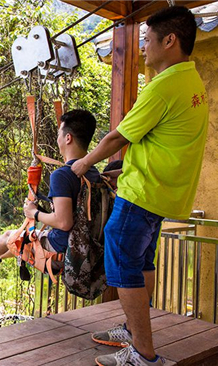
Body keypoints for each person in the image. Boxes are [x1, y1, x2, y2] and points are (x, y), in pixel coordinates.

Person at [70, 6, 208, 366]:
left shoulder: (163, 85)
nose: (144, 47)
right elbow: (163, 143)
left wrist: (83, 163)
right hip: (164, 191)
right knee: (143, 261)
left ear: (170, 40)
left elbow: (117, 136)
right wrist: (123, 170)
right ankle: (133, 332)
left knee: (123, 264)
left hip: (142, 194)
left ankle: (145, 356)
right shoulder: (191, 81)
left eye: (148, 39)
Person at [0, 109, 100, 267]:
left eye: (60, 133)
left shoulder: (62, 175)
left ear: (68, 138)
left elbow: (63, 222)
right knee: (22, 237)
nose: (57, 138)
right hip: (87, 246)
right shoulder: (93, 172)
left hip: (62, 250)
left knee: (11, 236)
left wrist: (34, 213)